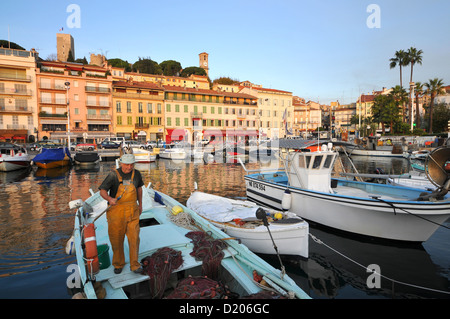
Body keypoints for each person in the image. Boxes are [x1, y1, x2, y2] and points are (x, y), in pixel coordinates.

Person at [99, 154, 144, 274]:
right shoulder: (113, 175)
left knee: (134, 238)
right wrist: (109, 199)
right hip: (116, 212)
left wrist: (140, 204)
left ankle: (135, 265)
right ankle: (118, 264)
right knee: (117, 239)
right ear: (121, 163)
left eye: (131, 164)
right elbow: (102, 190)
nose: (129, 167)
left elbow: (139, 189)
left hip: (133, 211)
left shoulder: (137, 174)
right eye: (127, 164)